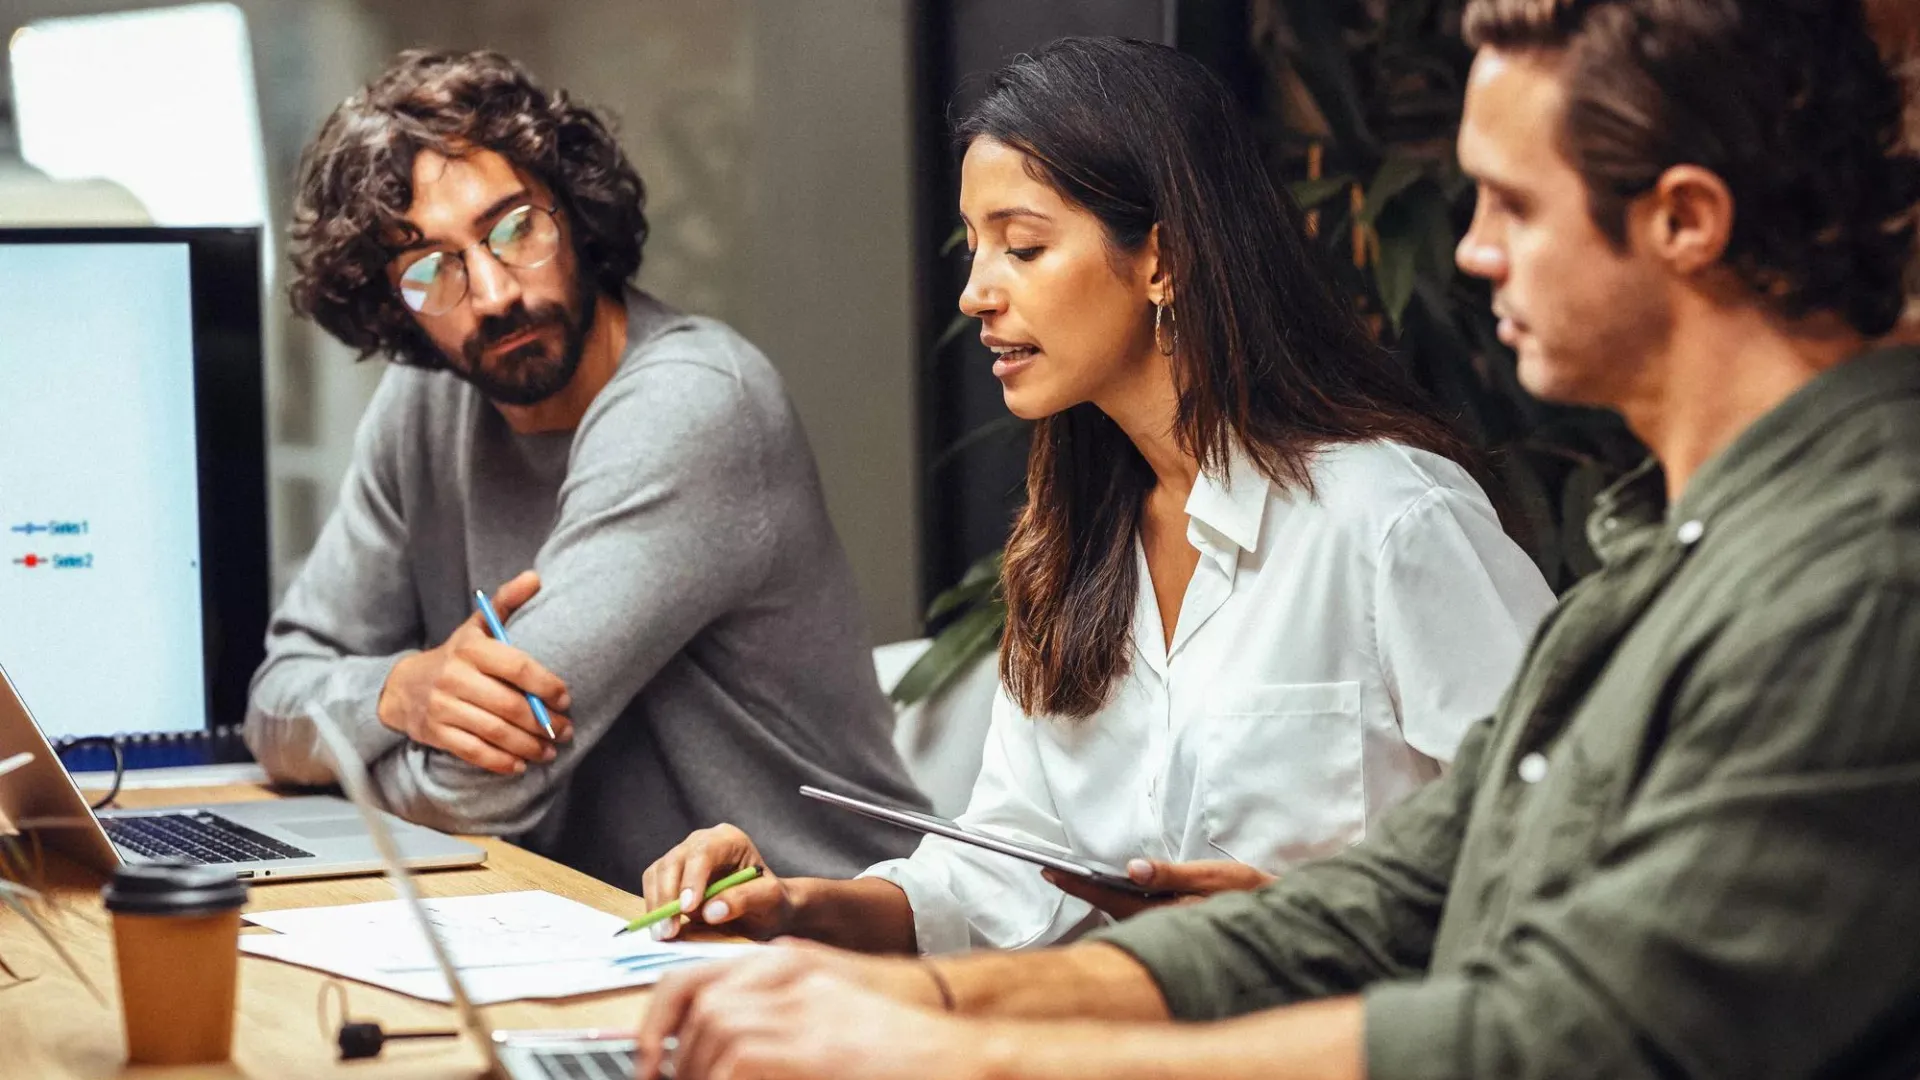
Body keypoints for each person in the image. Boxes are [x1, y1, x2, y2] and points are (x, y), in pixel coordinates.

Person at [631, 2, 1920, 1077]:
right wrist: (910, 995)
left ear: (1686, 220)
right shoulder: (1665, 558)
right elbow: (1384, 902)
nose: (1468, 251)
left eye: (1513, 206)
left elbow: (1576, 1027)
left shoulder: (1859, 577)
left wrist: (974, 1049)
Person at [638, 36, 1553, 955]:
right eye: (976, 248)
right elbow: (997, 875)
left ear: (1162, 257)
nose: (974, 294)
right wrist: (791, 908)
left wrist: (1297, 923)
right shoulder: (1072, 546)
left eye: (1024, 247)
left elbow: (1566, 866)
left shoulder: (1392, 521)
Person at [243, 50, 929, 894]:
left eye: (514, 228)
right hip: (571, 928)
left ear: (573, 211)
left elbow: (473, 797)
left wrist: (338, 765)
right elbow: (273, 703)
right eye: (430, 269)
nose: (493, 293)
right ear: (391, 303)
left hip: (800, 944)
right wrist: (398, 692)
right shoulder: (420, 406)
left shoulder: (694, 405)